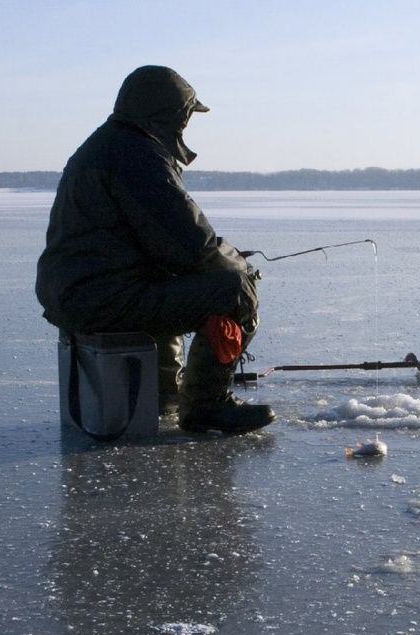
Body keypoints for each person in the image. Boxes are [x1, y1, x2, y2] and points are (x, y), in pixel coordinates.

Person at [36, 65, 275, 434]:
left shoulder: (106, 144)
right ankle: (206, 406)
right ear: (168, 113)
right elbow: (190, 243)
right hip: (102, 299)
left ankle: (163, 395)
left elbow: (159, 241)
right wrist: (236, 264)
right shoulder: (138, 155)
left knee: (173, 281)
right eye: (184, 116)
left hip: (77, 294)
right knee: (235, 291)